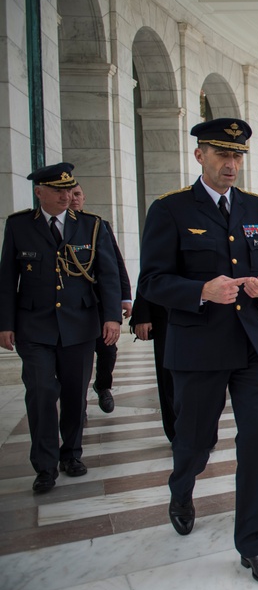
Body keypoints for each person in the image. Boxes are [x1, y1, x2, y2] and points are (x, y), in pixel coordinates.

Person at [137, 118, 258, 584]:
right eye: (222, 154)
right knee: (195, 442)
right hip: (198, 347)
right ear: (200, 155)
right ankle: (182, 489)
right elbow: (153, 282)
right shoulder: (171, 210)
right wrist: (202, 290)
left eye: (238, 155)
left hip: (251, 346)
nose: (232, 164)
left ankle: (254, 543)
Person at [0, 163, 121, 493]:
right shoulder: (19, 226)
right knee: (41, 392)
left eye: (69, 190)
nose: (66, 196)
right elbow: (8, 279)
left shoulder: (91, 227)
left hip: (79, 325)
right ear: (39, 192)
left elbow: (108, 275)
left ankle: (71, 454)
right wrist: (5, 324)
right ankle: (44, 465)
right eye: (57, 190)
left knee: (73, 393)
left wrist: (111, 317)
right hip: (34, 326)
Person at [68, 184, 131, 416]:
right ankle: (78, 399)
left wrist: (125, 297)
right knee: (77, 356)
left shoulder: (97, 226)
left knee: (107, 350)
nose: (73, 199)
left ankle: (102, 385)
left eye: (77, 194)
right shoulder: (60, 228)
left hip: (101, 302)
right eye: (69, 194)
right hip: (74, 305)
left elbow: (115, 264)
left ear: (84, 198)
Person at [129, 292, 174, 441]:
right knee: (169, 378)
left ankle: (204, 433)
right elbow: (148, 274)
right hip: (167, 312)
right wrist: (142, 314)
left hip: (211, 312)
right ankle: (177, 433)